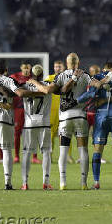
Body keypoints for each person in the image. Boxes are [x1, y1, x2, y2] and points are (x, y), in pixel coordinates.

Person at [29, 53, 100, 190]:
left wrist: (34, 82)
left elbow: (51, 90)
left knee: (63, 150)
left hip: (65, 117)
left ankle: (63, 183)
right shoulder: (85, 75)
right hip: (80, 116)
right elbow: (96, 85)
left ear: (67, 63)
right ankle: (84, 183)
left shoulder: (60, 76)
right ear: (78, 62)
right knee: (83, 150)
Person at [0, 60, 43, 190]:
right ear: (6, 70)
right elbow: (19, 93)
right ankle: (7, 183)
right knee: (7, 150)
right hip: (5, 119)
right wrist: (40, 93)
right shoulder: (9, 80)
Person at [20, 65, 53, 190]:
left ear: (31, 74)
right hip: (44, 122)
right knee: (46, 152)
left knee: (27, 153)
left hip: (29, 123)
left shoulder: (24, 85)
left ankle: (25, 183)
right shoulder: (47, 85)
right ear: (42, 73)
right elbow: (49, 91)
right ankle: (46, 182)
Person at [10, 61, 42, 164]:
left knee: (33, 132)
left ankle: (34, 157)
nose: (27, 70)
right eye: (25, 68)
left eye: (28, 68)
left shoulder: (33, 79)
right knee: (17, 133)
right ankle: (16, 156)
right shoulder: (14, 77)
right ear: (21, 68)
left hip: (31, 109)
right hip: (18, 108)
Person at [44, 60, 74, 163]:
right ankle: (50, 155)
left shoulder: (68, 77)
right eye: (56, 67)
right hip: (52, 110)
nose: (57, 68)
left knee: (66, 133)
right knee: (50, 134)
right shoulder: (49, 78)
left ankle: (68, 156)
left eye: (59, 67)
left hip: (65, 109)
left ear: (64, 67)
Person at [86, 64, 106, 164]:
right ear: (91, 72)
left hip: (98, 113)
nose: (98, 73)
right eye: (95, 71)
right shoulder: (87, 82)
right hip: (87, 112)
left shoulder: (103, 84)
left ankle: (99, 157)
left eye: (98, 71)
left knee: (97, 136)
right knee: (84, 136)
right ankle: (83, 157)